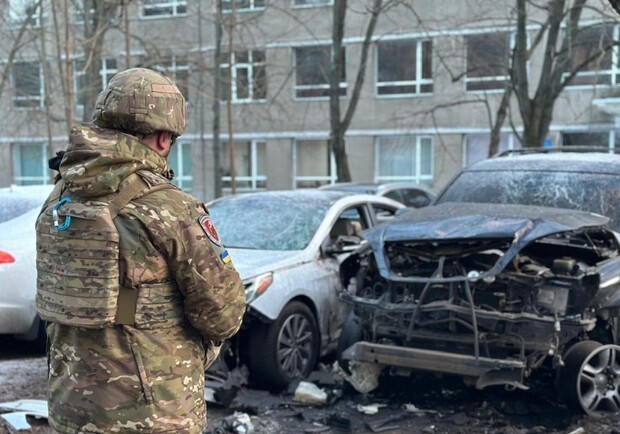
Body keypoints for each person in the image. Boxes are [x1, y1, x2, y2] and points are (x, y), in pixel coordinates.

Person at [35, 68, 246, 434]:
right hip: (153, 416)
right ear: (163, 138)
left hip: (71, 409)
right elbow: (223, 315)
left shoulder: (60, 196)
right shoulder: (169, 207)